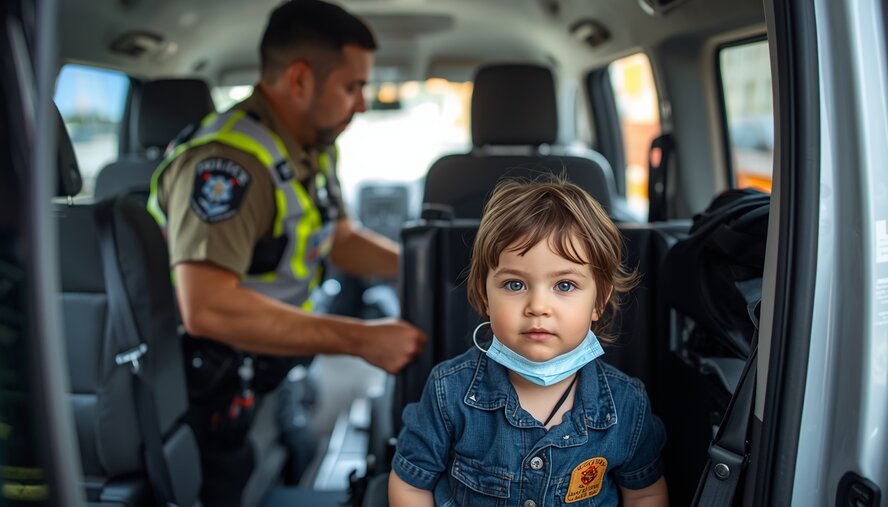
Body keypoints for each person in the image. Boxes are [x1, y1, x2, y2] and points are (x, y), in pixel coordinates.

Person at [146, 0, 426, 504]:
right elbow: (206, 306)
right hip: (213, 383)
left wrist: (431, 266)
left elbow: (338, 239)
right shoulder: (226, 166)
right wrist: (359, 338)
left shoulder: (312, 144)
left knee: (297, 449)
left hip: (275, 360)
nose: (362, 104)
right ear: (299, 80)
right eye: (352, 86)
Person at [389, 177, 668, 506]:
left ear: (598, 302)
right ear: (485, 296)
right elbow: (410, 485)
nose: (538, 306)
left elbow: (645, 494)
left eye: (564, 286)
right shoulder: (449, 393)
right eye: (514, 285)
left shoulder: (626, 405)